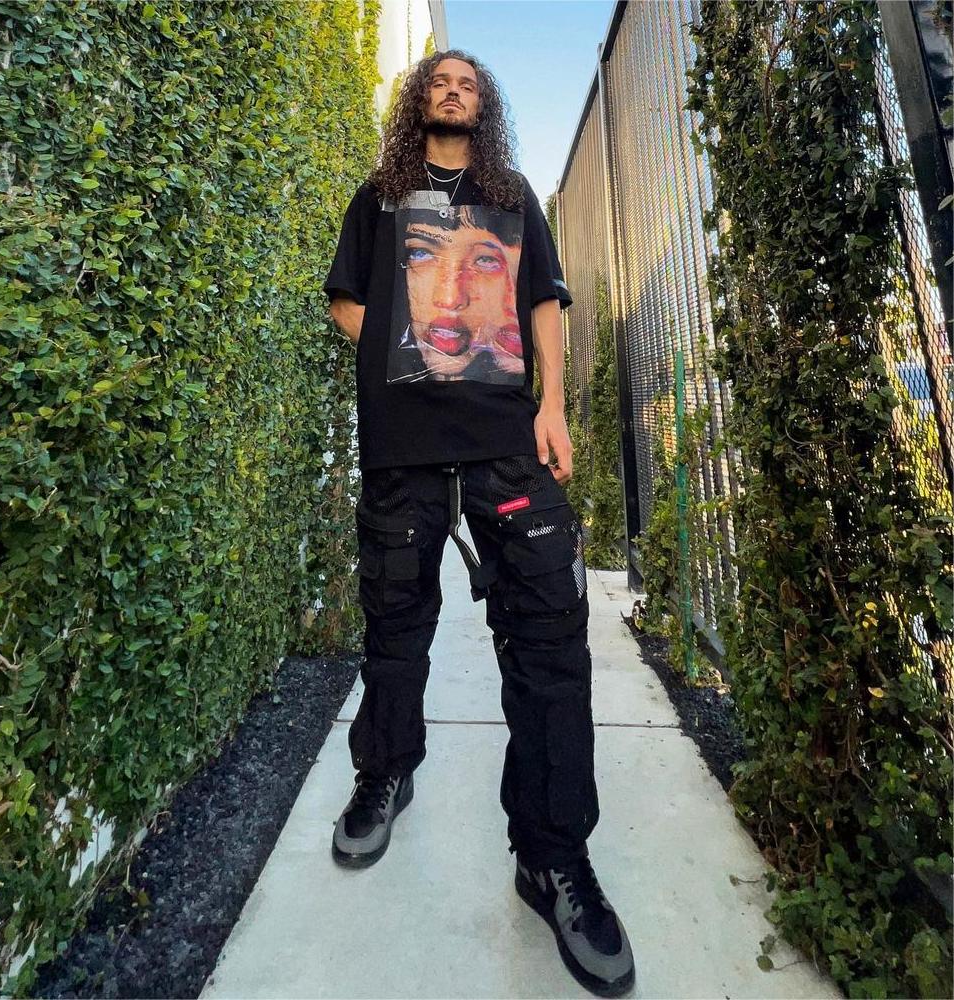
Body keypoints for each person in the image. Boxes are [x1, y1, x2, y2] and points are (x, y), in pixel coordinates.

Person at [322, 49, 636, 998]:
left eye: (467, 81)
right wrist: (408, 347)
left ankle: (552, 856)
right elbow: (346, 300)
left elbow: (543, 300)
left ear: (483, 103)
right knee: (394, 623)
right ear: (418, 100)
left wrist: (554, 407)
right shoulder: (380, 196)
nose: (452, 88)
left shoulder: (514, 196)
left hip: (506, 438)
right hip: (404, 442)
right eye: (439, 79)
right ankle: (386, 772)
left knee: (550, 635)